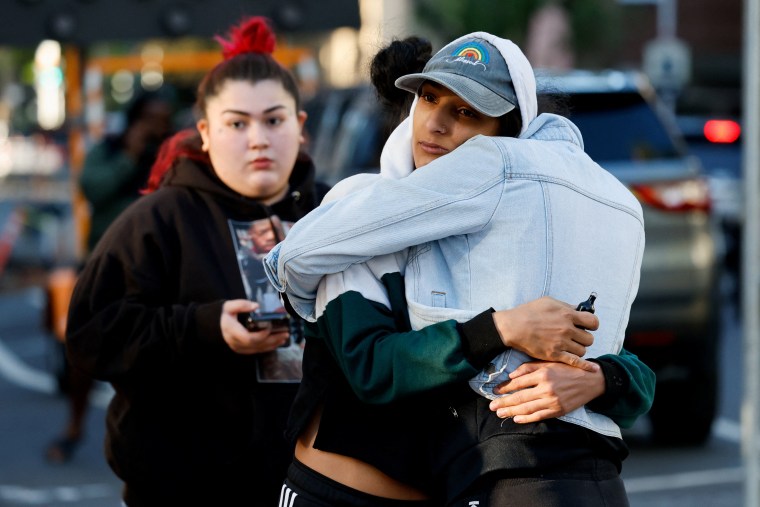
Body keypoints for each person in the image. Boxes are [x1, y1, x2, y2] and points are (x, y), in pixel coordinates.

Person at [266, 33, 653, 506]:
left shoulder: (508, 227)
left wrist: (596, 379)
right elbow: (372, 366)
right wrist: (500, 329)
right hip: (338, 494)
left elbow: (626, 363)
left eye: (468, 112)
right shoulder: (359, 212)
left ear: (508, 142)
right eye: (429, 98)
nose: (438, 124)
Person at [64, 16, 325, 506]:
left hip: (315, 486)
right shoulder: (158, 218)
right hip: (183, 487)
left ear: (300, 126)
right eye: (236, 123)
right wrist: (204, 327)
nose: (257, 139)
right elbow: (90, 335)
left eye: (274, 120)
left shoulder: (337, 213)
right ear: (204, 131)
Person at [45, 92, 174, 463]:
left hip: (158, 271)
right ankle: (74, 426)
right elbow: (92, 188)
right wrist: (129, 156)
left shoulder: (170, 157)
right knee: (83, 354)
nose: (157, 125)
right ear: (134, 119)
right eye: (151, 117)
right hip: (107, 268)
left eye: (163, 118)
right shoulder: (110, 151)